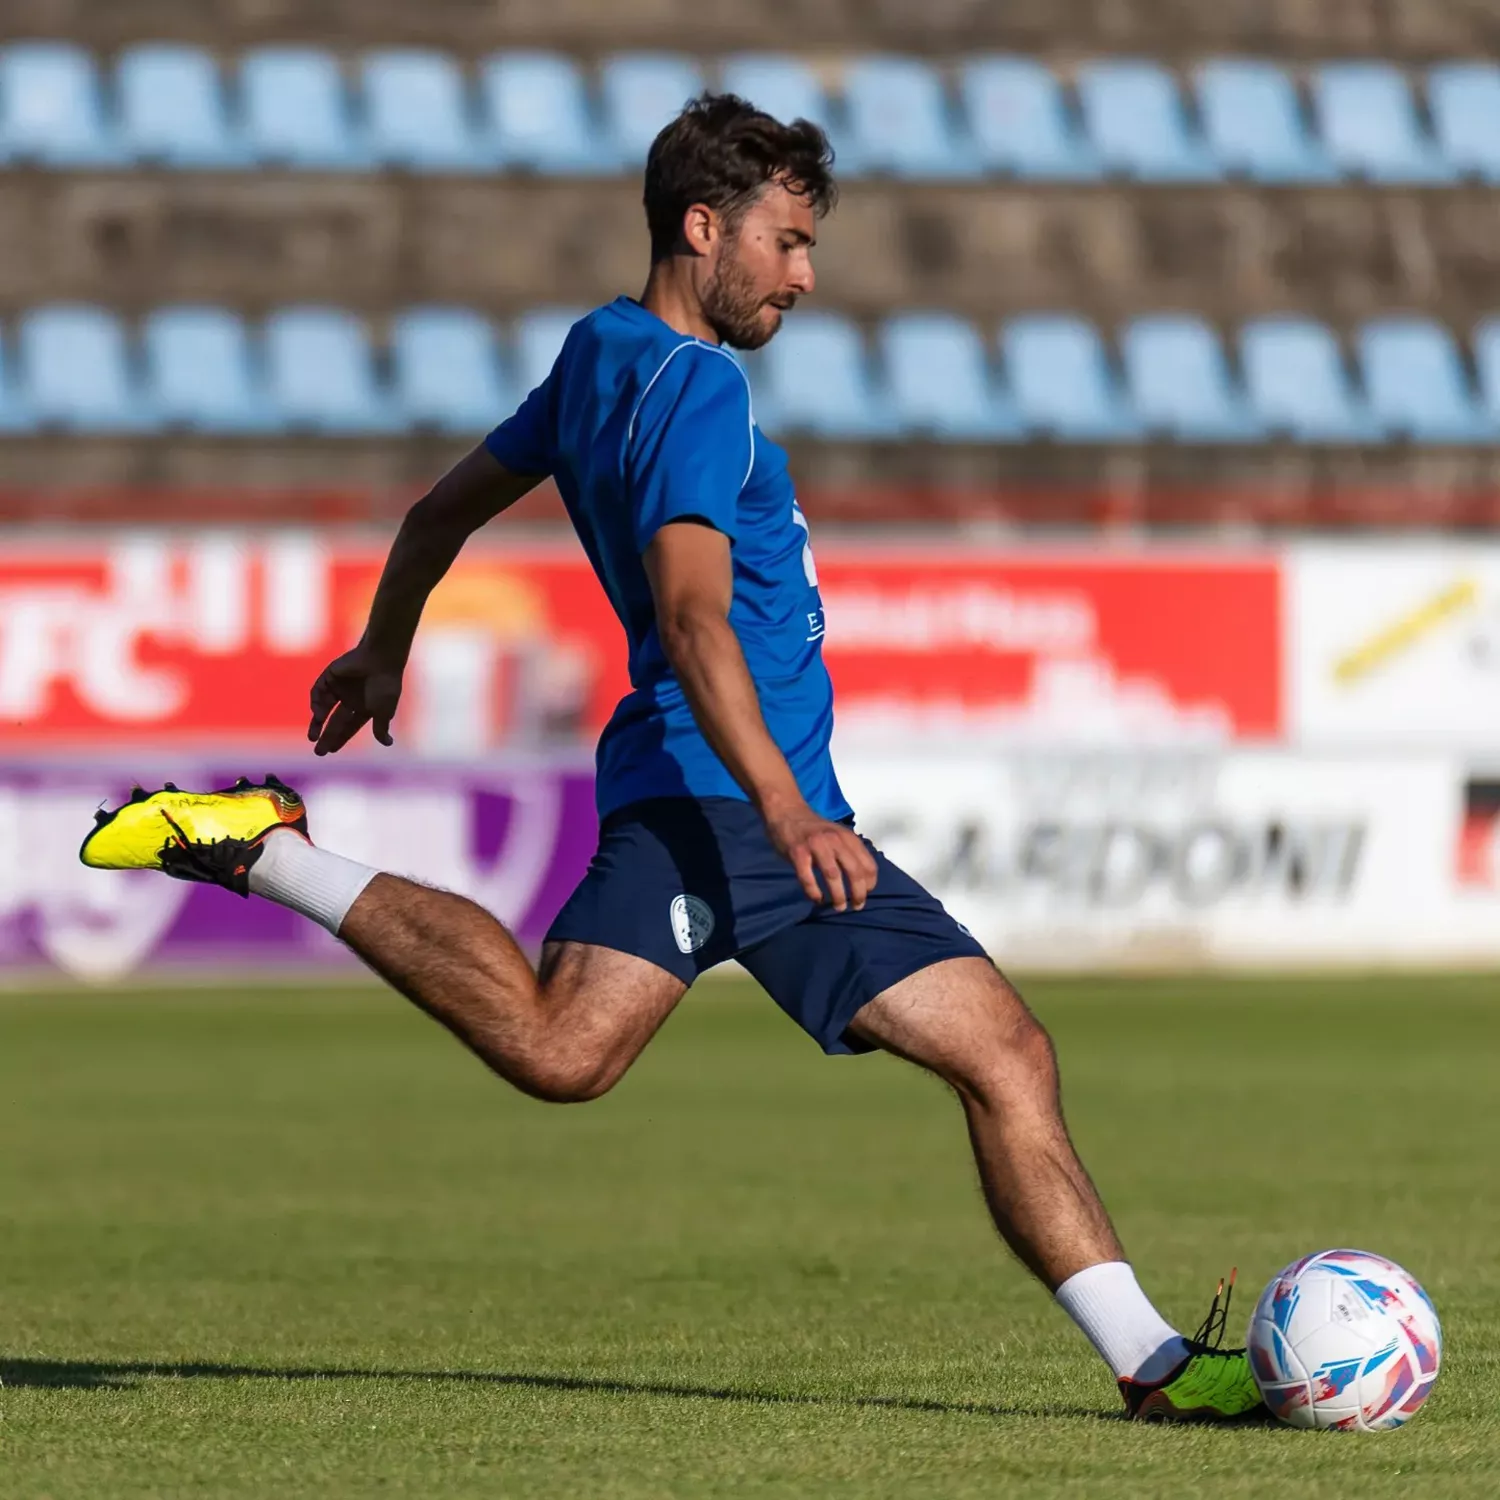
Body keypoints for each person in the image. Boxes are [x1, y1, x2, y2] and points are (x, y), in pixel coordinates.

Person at [80, 93, 1261, 1423]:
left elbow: (439, 506)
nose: (806, 277)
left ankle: (1154, 1364)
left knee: (985, 1055)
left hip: (744, 802)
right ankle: (267, 847)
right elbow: (695, 615)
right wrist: (780, 807)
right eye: (789, 242)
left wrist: (381, 646)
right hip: (735, 802)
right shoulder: (701, 386)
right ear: (705, 227)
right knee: (591, 1051)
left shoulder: (597, 353)